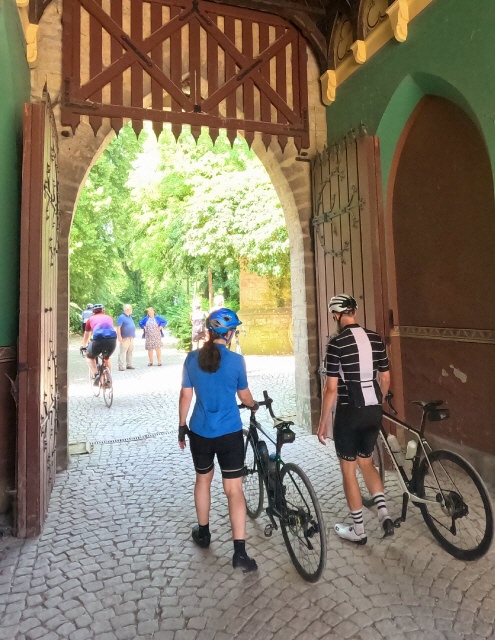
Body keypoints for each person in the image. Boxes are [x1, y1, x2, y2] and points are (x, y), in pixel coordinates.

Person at [178, 307, 258, 572]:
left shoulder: (191, 359)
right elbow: (244, 396)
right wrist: (253, 405)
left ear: (209, 332)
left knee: (203, 480)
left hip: (200, 432)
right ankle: (240, 552)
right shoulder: (236, 361)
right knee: (234, 490)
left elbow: (186, 396)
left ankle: (203, 534)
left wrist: (181, 426)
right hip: (229, 433)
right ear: (229, 334)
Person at [317, 294, 394, 545]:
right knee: (366, 462)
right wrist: (379, 402)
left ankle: (359, 530)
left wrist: (322, 422)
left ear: (336, 315)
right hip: (373, 409)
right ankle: (384, 513)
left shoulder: (336, 343)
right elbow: (385, 377)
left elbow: (331, 388)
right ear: (355, 312)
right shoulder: (375, 338)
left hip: (349, 411)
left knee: (349, 470)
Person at [81, 304, 117, 385]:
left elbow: (87, 335)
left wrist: (84, 346)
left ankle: (96, 375)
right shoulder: (109, 318)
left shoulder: (90, 319)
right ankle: (109, 380)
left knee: (89, 357)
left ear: (93, 312)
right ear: (103, 311)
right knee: (107, 358)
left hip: (98, 340)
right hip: (112, 340)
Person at [116, 304, 136, 371]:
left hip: (131, 338)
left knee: (130, 351)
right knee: (122, 352)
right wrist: (119, 337)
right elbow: (118, 327)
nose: (132, 310)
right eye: (131, 309)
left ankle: (129, 364)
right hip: (125, 338)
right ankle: (121, 366)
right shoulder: (121, 317)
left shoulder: (130, 317)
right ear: (127, 309)